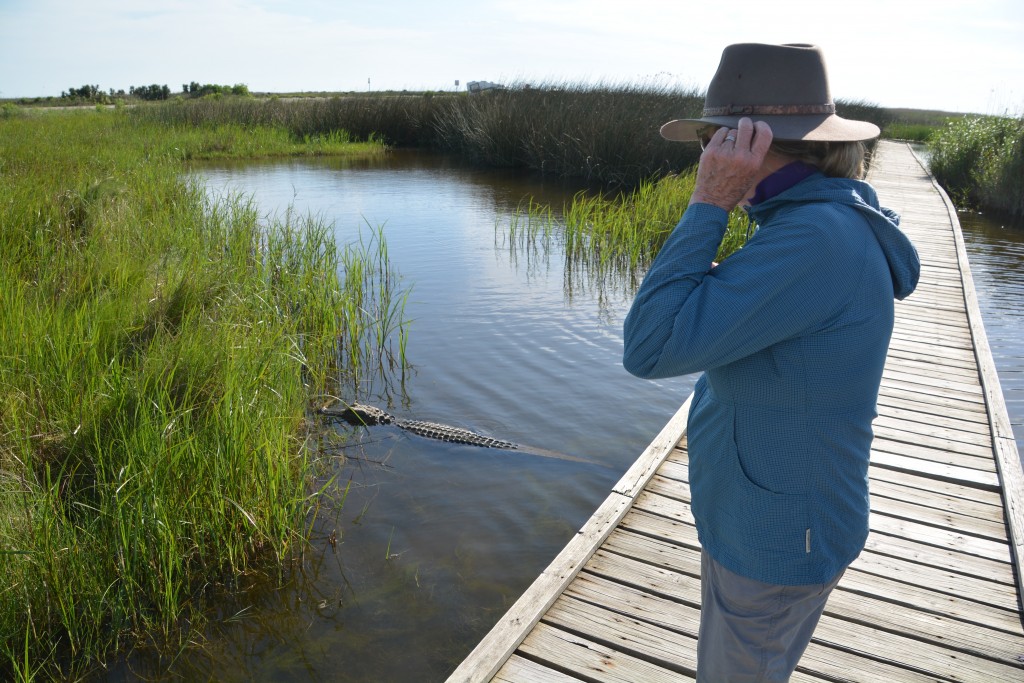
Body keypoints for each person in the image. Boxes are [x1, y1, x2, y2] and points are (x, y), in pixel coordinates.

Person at [622, 43, 921, 681]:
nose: (705, 155)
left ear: (752, 144)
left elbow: (650, 347)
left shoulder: (813, 241)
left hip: (778, 535)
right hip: (768, 519)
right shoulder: (809, 222)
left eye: (713, 140)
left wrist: (709, 204)